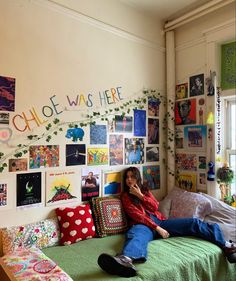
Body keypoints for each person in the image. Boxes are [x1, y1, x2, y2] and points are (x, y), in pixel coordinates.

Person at [97, 167, 236, 278]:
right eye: (126, 177)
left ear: (137, 178)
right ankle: (125, 259)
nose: (129, 179)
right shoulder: (125, 196)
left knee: (194, 223)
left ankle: (226, 245)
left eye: (132, 176)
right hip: (142, 225)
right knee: (136, 235)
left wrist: (140, 196)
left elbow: (155, 206)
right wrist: (157, 228)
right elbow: (138, 215)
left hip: (161, 221)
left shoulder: (145, 190)